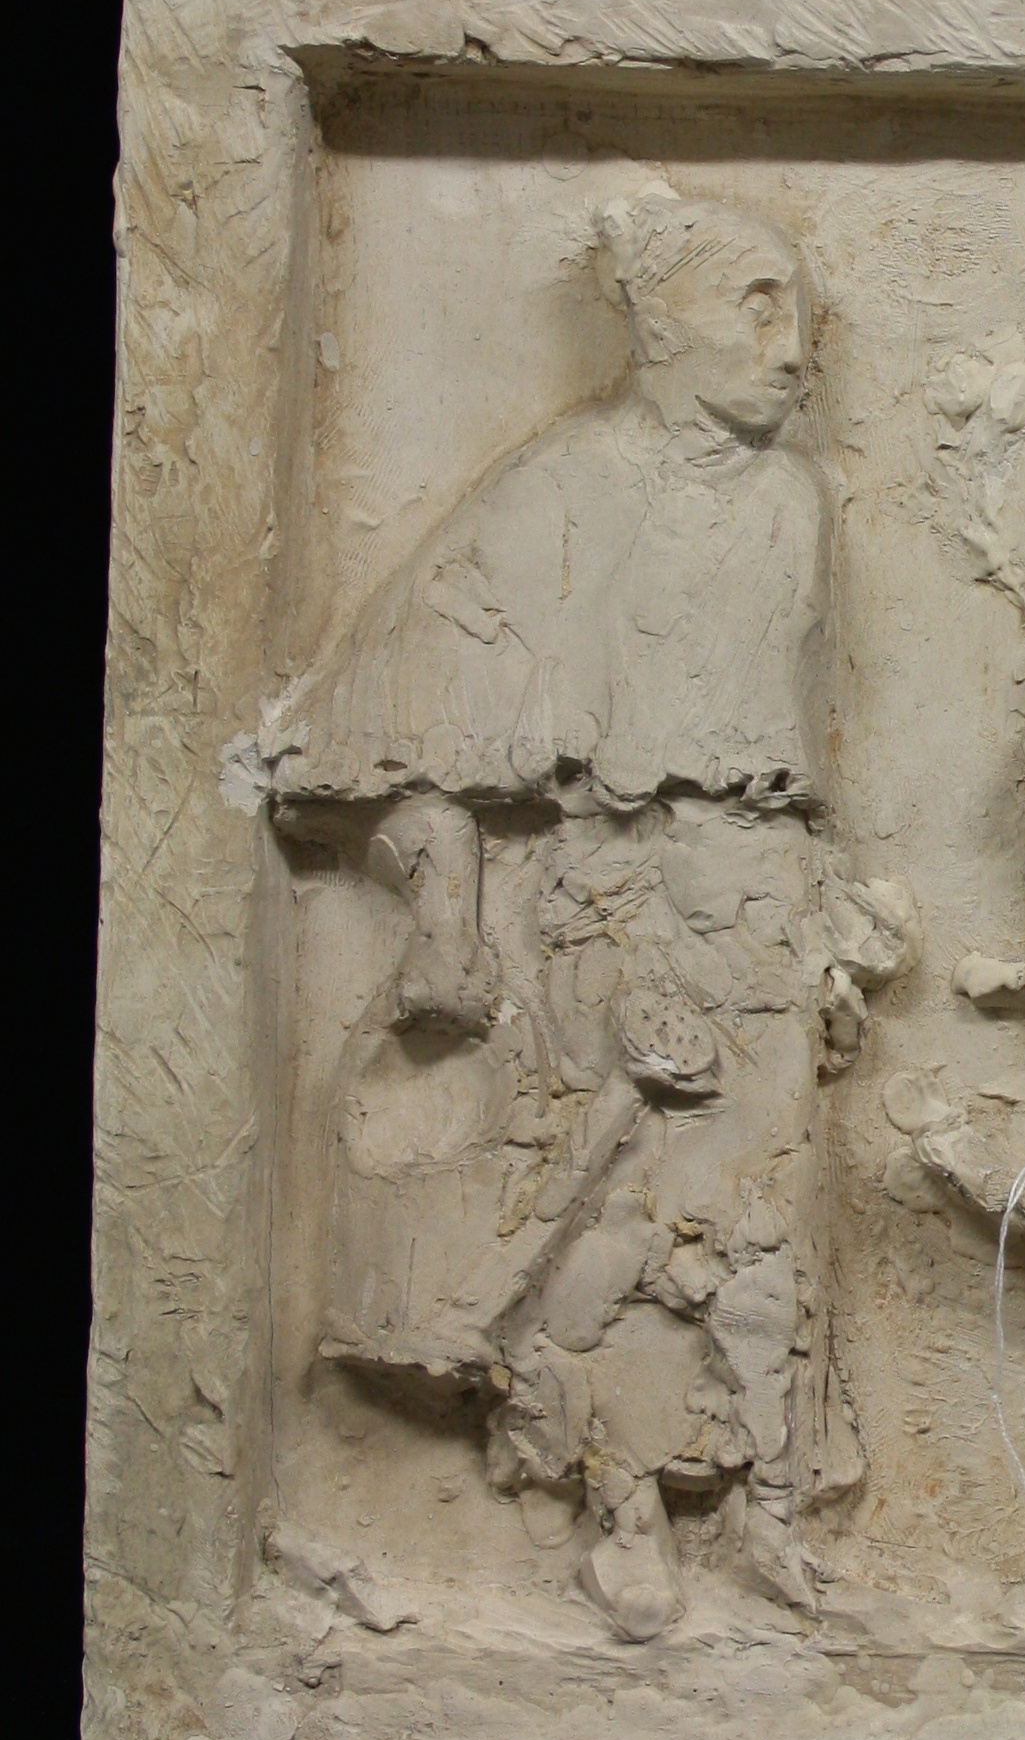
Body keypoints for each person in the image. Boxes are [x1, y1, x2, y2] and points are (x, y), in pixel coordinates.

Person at [259, 192, 913, 1639]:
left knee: (763, 1223)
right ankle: (624, 1506)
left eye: (799, 314)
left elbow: (800, 757)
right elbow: (378, 744)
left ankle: (767, 1505)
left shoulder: (795, 505)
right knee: (614, 1224)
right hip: (617, 910)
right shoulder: (555, 491)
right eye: (755, 305)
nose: (793, 348)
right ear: (659, 321)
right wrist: (447, 919)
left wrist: (824, 912)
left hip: (763, 914)